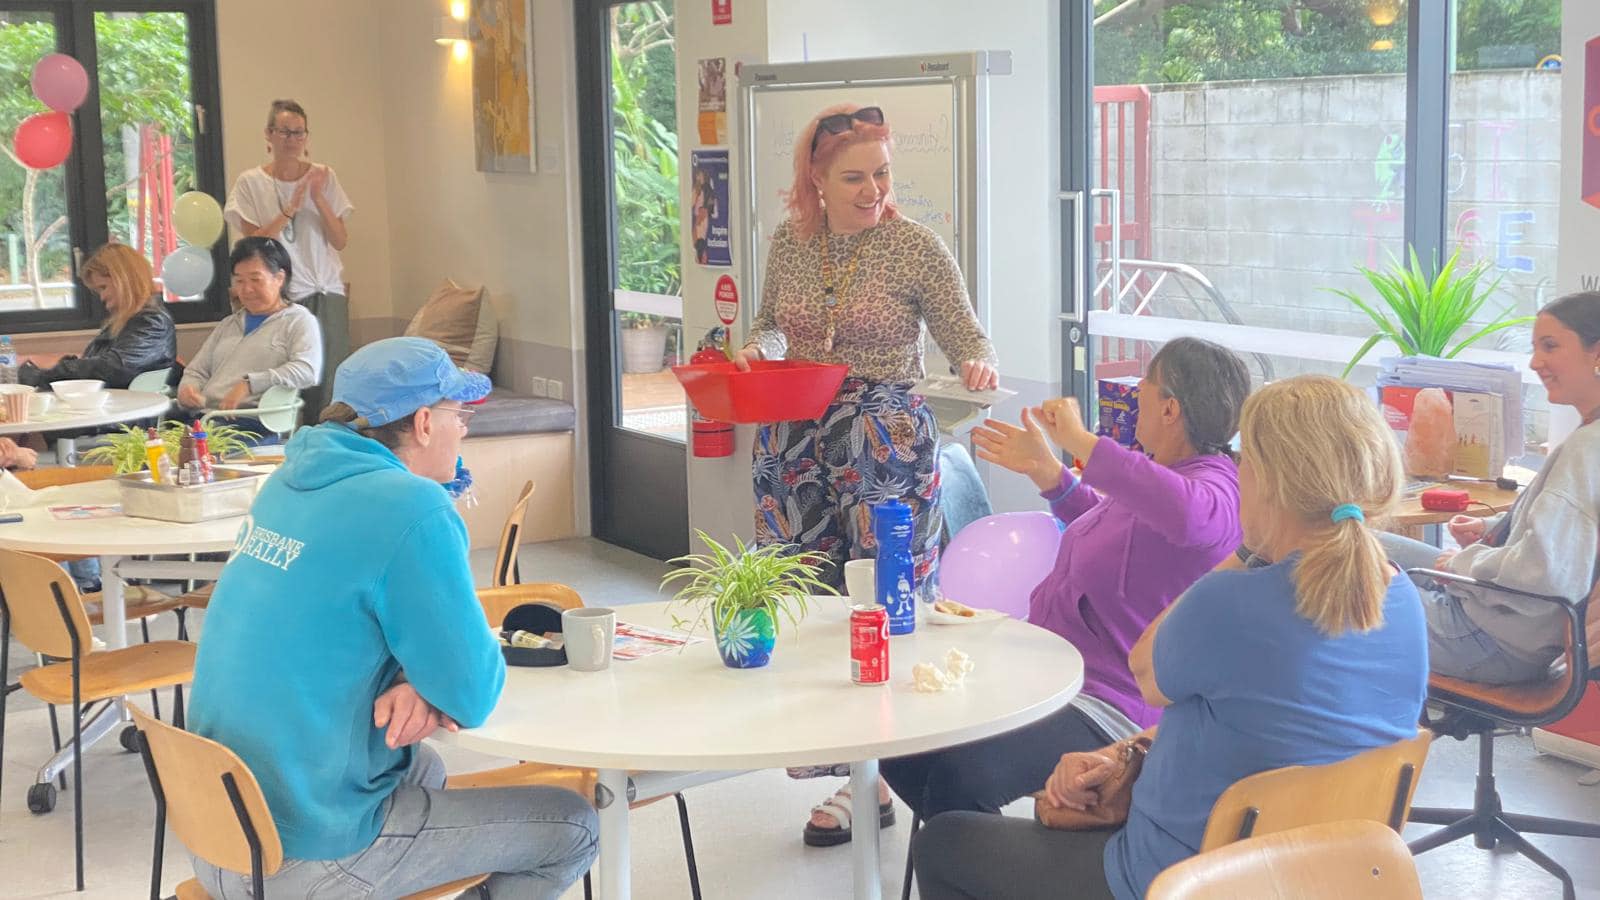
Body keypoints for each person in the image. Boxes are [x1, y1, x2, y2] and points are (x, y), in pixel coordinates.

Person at [913, 374, 1429, 900]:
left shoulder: (1233, 601)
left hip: (1183, 875)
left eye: (1244, 460)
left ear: (1270, 481)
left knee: (945, 843)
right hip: (1323, 875)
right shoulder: (1404, 602)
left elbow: (1146, 674)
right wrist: (1126, 754)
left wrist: (1247, 551)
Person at [186, 337, 597, 898]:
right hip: (305, 855)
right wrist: (433, 683)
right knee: (571, 827)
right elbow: (473, 693)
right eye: (459, 414)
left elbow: (340, 623)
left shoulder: (286, 482)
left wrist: (417, 681)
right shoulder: (411, 507)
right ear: (424, 423)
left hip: (222, 832)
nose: (466, 429)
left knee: (422, 768)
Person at [733, 103, 998, 845]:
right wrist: (760, 346)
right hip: (796, 436)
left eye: (882, 173)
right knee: (807, 602)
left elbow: (968, 337)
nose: (873, 189)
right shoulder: (789, 242)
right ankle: (850, 770)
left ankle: (881, 772)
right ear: (814, 179)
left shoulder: (916, 248)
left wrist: (979, 360)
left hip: (882, 441)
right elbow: (770, 323)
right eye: (853, 177)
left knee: (882, 605)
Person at [878, 338, 1250, 828]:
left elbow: (1188, 517)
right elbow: (1113, 527)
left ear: (1170, 407)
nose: (1136, 393)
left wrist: (1082, 442)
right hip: (1049, 673)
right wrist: (1050, 475)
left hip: (1106, 705)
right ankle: (969, 855)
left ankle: (965, 857)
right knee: (902, 746)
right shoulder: (1160, 473)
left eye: (1146, 385)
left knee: (956, 778)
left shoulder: (1218, 489)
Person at [1380, 291, 1600, 685]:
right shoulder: (1588, 437)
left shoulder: (1587, 450)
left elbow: (1543, 572)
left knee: (1329, 583)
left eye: (1550, 346)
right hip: (1497, 615)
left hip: (1489, 638)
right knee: (1351, 544)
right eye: (1535, 348)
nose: (1536, 362)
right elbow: (1566, 534)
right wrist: (1491, 529)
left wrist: (1465, 562)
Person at [224, 98, 352, 418]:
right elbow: (254, 245)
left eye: (299, 133)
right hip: (281, 294)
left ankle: (327, 446)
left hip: (326, 288)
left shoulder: (324, 176)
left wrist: (318, 198)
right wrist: (288, 209)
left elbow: (340, 239)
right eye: (285, 132)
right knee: (285, 379)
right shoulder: (251, 182)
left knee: (330, 379)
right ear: (269, 134)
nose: (293, 140)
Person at [176, 237, 322, 432]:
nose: (246, 289)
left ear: (279, 278)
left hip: (252, 423)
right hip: (204, 419)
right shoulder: (229, 323)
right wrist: (188, 389)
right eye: (239, 281)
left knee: (187, 458)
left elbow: (307, 370)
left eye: (255, 279)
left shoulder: (298, 321)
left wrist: (250, 383)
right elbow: (196, 371)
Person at [18, 242, 175, 389]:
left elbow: (113, 367)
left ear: (124, 280)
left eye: (103, 287)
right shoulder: (130, 321)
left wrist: (46, 376)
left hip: (127, 413)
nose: (102, 297)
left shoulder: (152, 322)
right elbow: (96, 365)